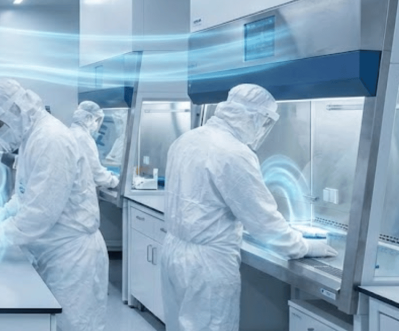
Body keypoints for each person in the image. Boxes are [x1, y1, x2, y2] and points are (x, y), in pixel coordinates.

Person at [161, 84, 337, 331]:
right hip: (208, 264)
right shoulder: (234, 152)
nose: (263, 129)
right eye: (265, 122)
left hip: (173, 252)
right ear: (252, 117)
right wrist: (304, 247)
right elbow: (264, 221)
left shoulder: (186, 140)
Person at [0, 79, 107, 331]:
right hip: (51, 252)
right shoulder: (31, 138)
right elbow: (23, 198)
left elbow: (39, 215)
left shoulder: (51, 139)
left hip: (71, 258)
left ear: (16, 109)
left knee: (73, 326)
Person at [70, 101, 119, 190]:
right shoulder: (83, 137)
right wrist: (113, 181)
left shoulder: (71, 131)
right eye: (97, 120)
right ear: (88, 117)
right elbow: (95, 170)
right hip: (81, 191)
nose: (97, 124)